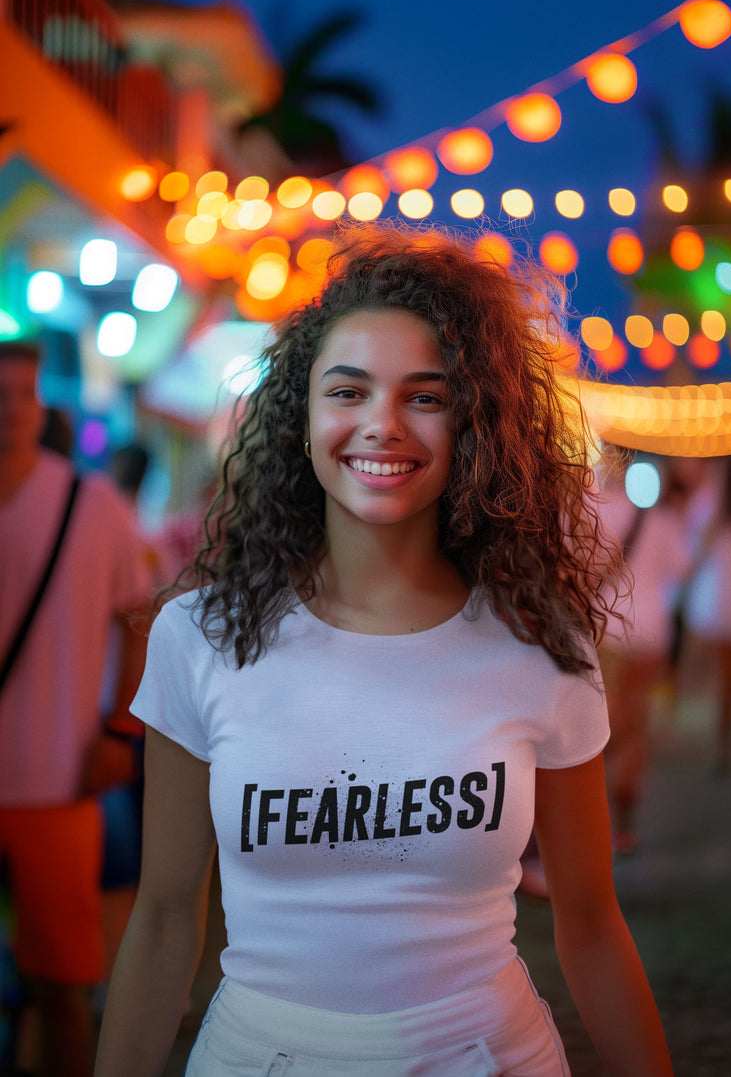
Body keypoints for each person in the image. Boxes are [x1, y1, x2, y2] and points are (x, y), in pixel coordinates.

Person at [95, 225, 673, 1077]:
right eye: (349, 390)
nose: (382, 424)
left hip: (490, 1055)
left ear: (472, 423)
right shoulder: (203, 635)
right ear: (302, 416)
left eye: (426, 396)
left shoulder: (540, 644)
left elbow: (590, 923)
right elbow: (165, 916)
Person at [0, 340, 151, 1077]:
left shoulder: (92, 506)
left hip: (59, 780)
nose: (8, 411)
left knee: (62, 980)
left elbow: (139, 621)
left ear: (41, 407)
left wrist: (121, 731)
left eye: (22, 394)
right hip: (54, 777)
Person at [595, 453, 691, 855]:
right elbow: (681, 571)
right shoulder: (664, 520)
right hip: (652, 633)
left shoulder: (598, 512)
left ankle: (590, 816)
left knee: (602, 727)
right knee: (635, 728)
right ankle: (626, 824)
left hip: (608, 631)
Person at [683, 450, 731, 780]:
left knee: (726, 683)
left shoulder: (713, 507)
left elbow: (696, 549)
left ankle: (723, 750)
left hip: (727, 604)